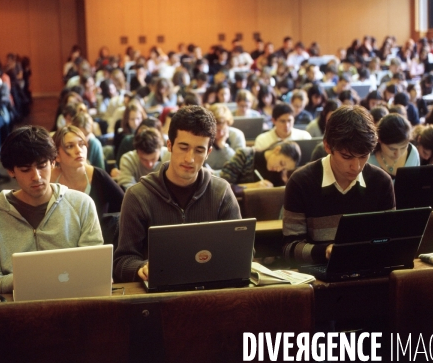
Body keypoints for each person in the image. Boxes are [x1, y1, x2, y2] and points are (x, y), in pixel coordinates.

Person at [0, 126, 104, 363]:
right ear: (11, 171)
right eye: (25, 169)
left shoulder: (81, 205)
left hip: (74, 314)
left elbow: (95, 272)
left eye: (42, 165)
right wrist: (33, 276)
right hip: (18, 317)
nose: (37, 177)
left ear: (53, 162)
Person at [113, 105, 242, 283]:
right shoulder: (138, 196)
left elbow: (242, 253)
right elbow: (121, 262)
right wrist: (141, 267)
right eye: (183, 147)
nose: (190, 158)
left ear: (208, 153)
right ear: (169, 145)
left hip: (210, 290)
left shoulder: (221, 192)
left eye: (199, 150)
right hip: (158, 296)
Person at [282, 105, 395, 266]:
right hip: (319, 278)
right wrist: (325, 251)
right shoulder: (301, 182)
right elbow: (289, 249)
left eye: (363, 156)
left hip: (369, 272)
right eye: (346, 156)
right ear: (328, 146)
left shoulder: (381, 181)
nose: (356, 167)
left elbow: (391, 240)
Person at [51, 125, 124, 215]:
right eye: (70, 146)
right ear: (57, 155)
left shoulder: (98, 175)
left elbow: (127, 206)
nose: (79, 150)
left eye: (82, 144)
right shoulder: (50, 179)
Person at [219, 141, 301, 189]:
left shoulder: (280, 174)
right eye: (281, 163)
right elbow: (222, 186)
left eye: (283, 168)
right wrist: (253, 186)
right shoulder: (245, 155)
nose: (279, 169)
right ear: (277, 150)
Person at [367, 113, 420, 178]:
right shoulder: (368, 159)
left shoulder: (412, 153)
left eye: (403, 147)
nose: (398, 154)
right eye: (392, 149)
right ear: (379, 140)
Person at [206, 103, 246, 172]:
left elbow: (241, 165)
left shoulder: (237, 136)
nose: (221, 133)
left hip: (233, 178)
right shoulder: (205, 137)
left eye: (224, 130)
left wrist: (224, 146)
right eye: (217, 130)